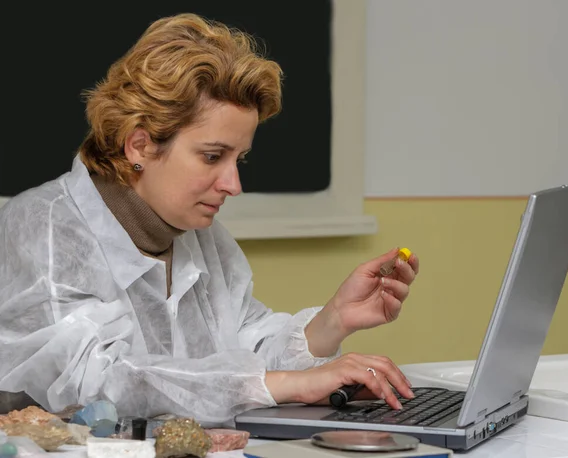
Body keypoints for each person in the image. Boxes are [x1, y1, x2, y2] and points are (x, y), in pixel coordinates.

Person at [0, 13, 419, 426]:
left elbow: (244, 347)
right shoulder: (47, 228)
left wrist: (334, 319)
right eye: (212, 157)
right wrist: (288, 384)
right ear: (140, 146)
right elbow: (95, 384)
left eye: (240, 158)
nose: (233, 184)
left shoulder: (195, 233)